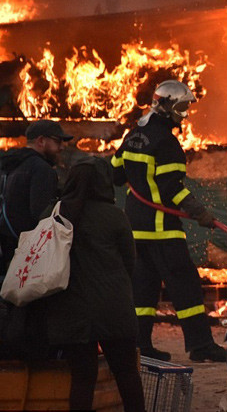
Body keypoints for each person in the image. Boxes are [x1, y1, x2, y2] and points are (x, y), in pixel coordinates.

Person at [112, 79, 227, 362]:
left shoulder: (134, 135)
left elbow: (115, 174)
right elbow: (171, 189)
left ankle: (140, 346)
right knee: (186, 287)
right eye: (181, 107)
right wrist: (200, 212)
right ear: (166, 106)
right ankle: (201, 346)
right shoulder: (167, 143)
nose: (185, 114)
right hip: (163, 231)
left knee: (143, 290)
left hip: (136, 230)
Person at [45, 156, 145, 411]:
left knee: (82, 378)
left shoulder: (54, 214)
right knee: (126, 374)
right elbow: (130, 262)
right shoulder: (115, 216)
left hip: (71, 311)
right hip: (113, 308)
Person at [0, 120, 72, 275]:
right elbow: (42, 215)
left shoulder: (11, 164)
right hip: (29, 254)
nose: (62, 147)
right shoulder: (42, 170)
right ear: (41, 141)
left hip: (7, 246)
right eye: (57, 141)